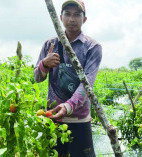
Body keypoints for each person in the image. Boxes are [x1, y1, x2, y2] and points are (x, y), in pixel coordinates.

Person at [34, 0, 102, 156]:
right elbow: (37, 78)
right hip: (52, 119)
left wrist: (68, 106)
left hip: (79, 120)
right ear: (60, 17)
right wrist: (45, 64)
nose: (72, 19)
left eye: (77, 15)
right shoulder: (49, 44)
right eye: (68, 14)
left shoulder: (92, 47)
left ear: (84, 19)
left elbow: (87, 84)